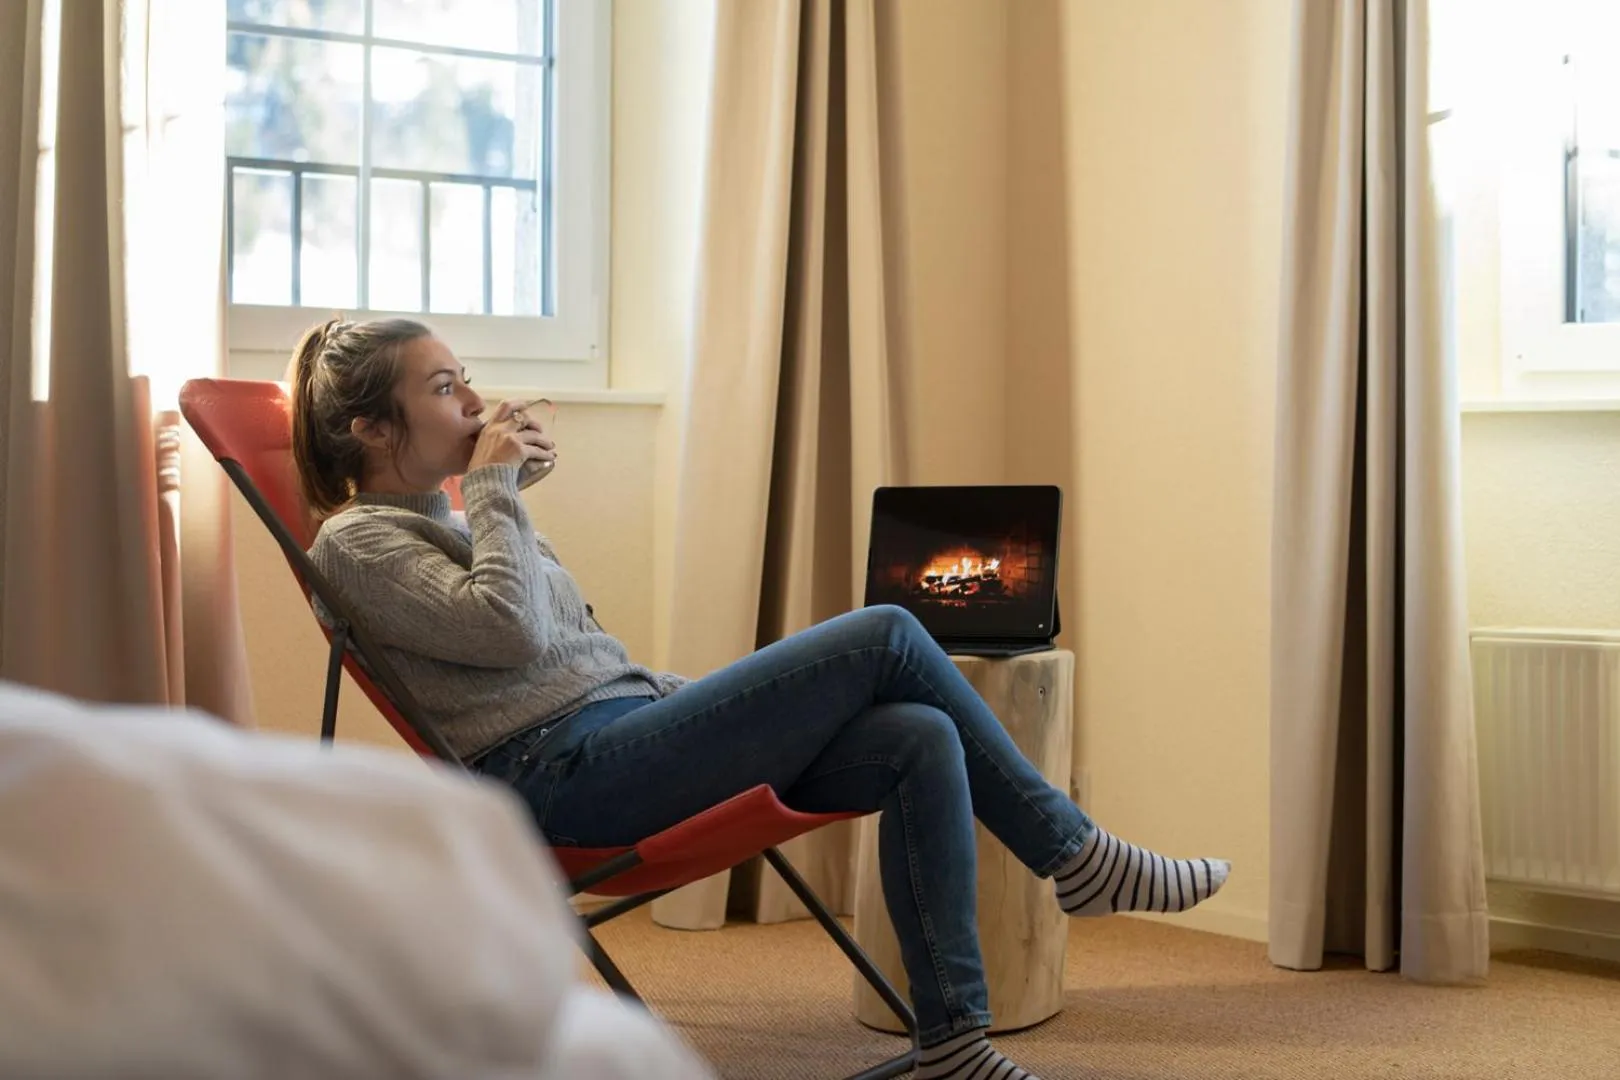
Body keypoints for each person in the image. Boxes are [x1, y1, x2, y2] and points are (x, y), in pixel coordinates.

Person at [289, 316, 1230, 1080]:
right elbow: (513, 636)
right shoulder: (354, 543)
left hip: (620, 735)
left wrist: (500, 499)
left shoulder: (464, 513)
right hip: (563, 782)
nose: (475, 398)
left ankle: (952, 1038)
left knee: (914, 733)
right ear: (371, 429)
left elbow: (575, 652)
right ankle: (1077, 856)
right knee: (892, 632)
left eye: (465, 376)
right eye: (444, 386)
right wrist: (496, 485)